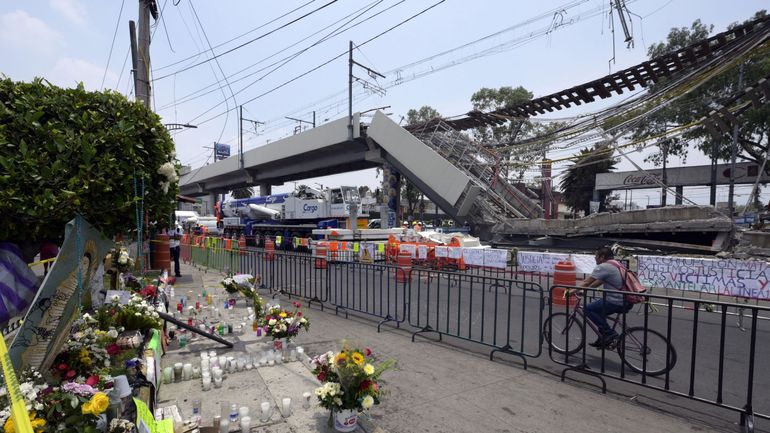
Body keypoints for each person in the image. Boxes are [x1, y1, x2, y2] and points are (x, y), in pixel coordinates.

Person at [577, 246, 632, 349]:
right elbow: (598, 282)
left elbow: (586, 282)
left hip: (616, 301)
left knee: (588, 309)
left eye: (596, 256)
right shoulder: (616, 264)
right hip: (626, 300)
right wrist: (584, 290)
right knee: (598, 311)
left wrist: (568, 292)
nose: (595, 258)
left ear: (602, 257)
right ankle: (602, 338)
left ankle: (609, 333)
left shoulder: (604, 267)